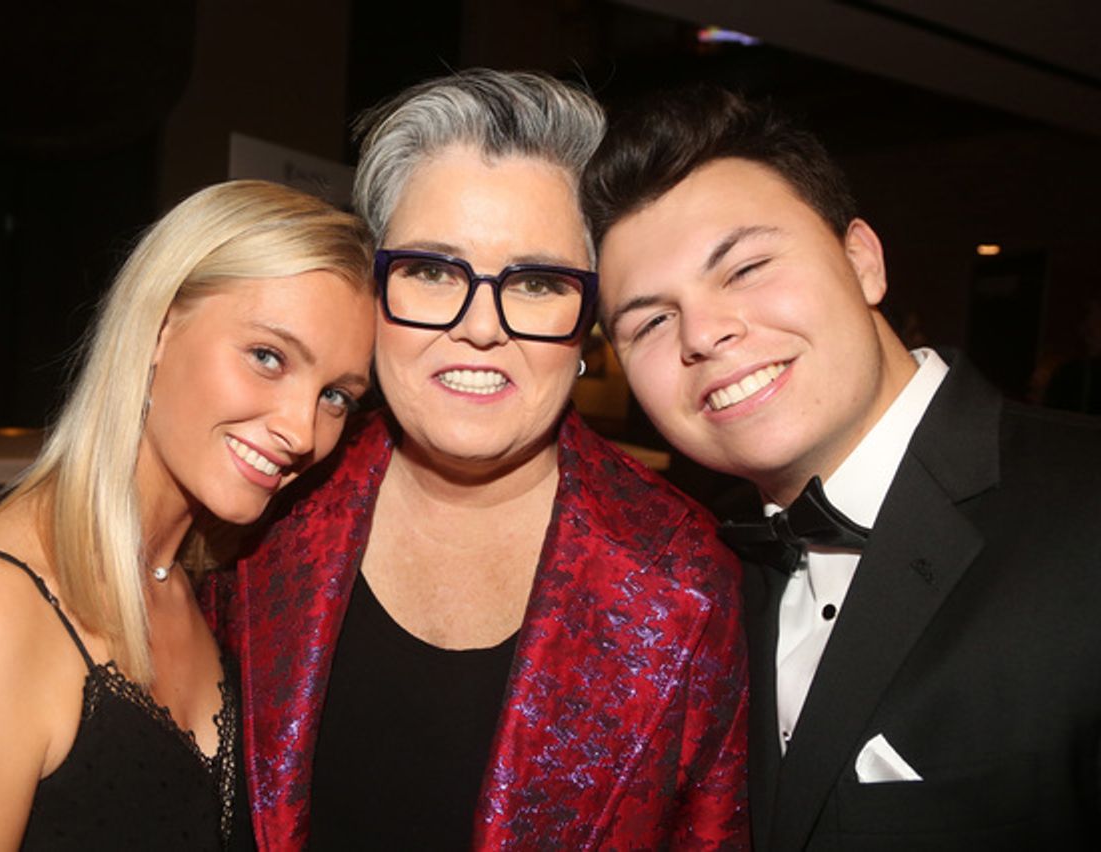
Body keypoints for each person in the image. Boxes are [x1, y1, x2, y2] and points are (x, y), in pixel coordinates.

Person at [215, 69, 749, 850]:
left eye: (536, 282)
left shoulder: (691, 582)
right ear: (372, 287)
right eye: (433, 271)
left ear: (589, 318)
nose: (480, 326)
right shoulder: (260, 506)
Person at [581, 84, 1101, 851]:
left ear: (863, 262)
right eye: (652, 320)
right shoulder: (691, 573)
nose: (704, 333)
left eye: (746, 268)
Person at [0, 180, 376, 850]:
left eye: (336, 396)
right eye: (268, 357)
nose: (303, 431)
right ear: (159, 329)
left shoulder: (211, 588)